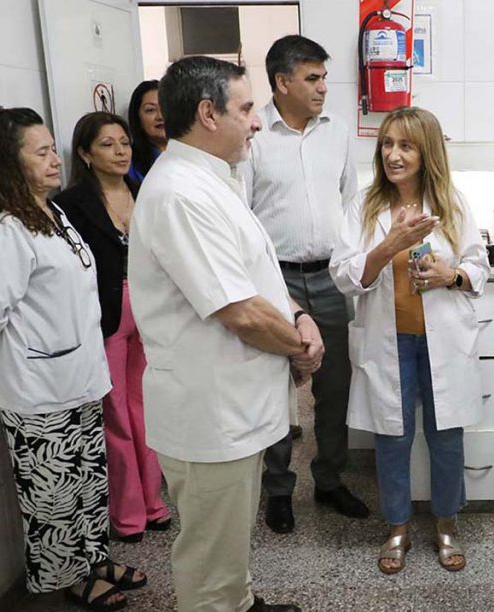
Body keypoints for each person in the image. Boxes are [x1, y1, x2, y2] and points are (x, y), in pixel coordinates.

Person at [128, 56, 313, 612]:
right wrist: (302, 349)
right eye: (248, 108)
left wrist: (299, 316)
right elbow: (241, 312)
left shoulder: (213, 180)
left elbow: (258, 278)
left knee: (228, 545)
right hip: (211, 416)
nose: (257, 121)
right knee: (209, 563)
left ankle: (242, 601)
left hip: (235, 407)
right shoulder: (181, 194)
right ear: (208, 114)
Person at [0, 108, 146, 611]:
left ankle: (95, 560)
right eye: (39, 153)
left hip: (79, 375)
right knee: (54, 494)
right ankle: (69, 580)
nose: (53, 159)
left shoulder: (52, 213)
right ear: (9, 162)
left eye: (51, 149)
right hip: (36, 387)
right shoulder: (4, 228)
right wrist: (8, 346)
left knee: (89, 477)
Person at [330, 106, 489, 574]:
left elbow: (479, 266)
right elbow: (343, 274)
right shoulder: (365, 206)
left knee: (446, 438)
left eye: (406, 145)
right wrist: (388, 245)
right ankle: (397, 526)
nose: (393, 155)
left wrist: (452, 274)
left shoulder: (452, 204)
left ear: (427, 151)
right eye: (386, 145)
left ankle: (445, 523)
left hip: (442, 341)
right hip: (389, 338)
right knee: (392, 438)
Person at [239, 34, 367, 535]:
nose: (322, 89)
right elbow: (243, 221)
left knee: (335, 387)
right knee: (277, 388)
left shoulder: (335, 133)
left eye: (323, 78)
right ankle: (277, 489)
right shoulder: (253, 137)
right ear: (282, 82)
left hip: (331, 277)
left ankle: (330, 480)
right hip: (276, 281)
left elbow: (350, 201)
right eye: (312, 79)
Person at [54, 111, 171, 543]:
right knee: (116, 415)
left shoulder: (145, 191)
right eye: (107, 144)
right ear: (85, 153)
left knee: (148, 409)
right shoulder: (69, 204)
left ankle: (155, 502)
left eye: (124, 142)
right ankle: (127, 514)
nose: (121, 151)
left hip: (150, 307)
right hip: (104, 314)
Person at [127, 80, 167, 182]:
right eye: (150, 110)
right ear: (137, 118)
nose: (160, 116)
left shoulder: (191, 152)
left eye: (166, 108)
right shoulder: (129, 161)